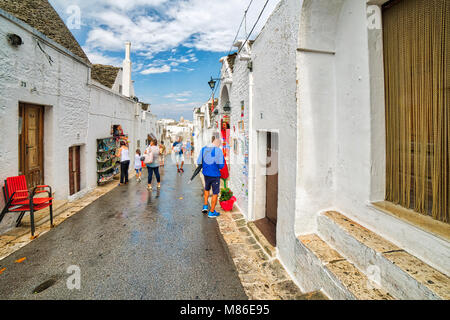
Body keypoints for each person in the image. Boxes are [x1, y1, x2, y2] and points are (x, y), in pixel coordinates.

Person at [198, 134, 225, 218]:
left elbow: (199, 161)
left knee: (207, 188)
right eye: (220, 141)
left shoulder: (203, 149)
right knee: (215, 192)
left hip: (206, 174)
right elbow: (221, 166)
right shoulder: (218, 151)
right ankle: (212, 212)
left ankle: (205, 206)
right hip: (214, 174)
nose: (220, 143)